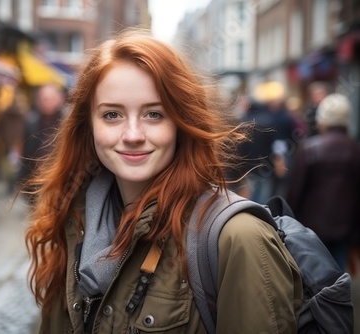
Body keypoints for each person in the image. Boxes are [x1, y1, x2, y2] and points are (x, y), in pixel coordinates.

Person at [24, 30, 303, 333]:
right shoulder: (74, 221)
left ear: (181, 124)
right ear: (87, 125)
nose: (132, 135)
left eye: (154, 114)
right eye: (112, 115)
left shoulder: (238, 239)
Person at [287, 93, 360, 271]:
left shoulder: (309, 148)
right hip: (345, 228)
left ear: (322, 119)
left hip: (311, 228)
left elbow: (296, 192)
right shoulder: (355, 150)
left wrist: (288, 222)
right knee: (338, 276)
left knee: (313, 278)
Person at [18, 83, 65, 188]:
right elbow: (25, 154)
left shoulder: (68, 121)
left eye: (49, 98)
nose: (46, 102)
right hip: (36, 180)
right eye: (43, 99)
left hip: (61, 180)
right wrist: (23, 180)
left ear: (59, 99)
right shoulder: (31, 122)